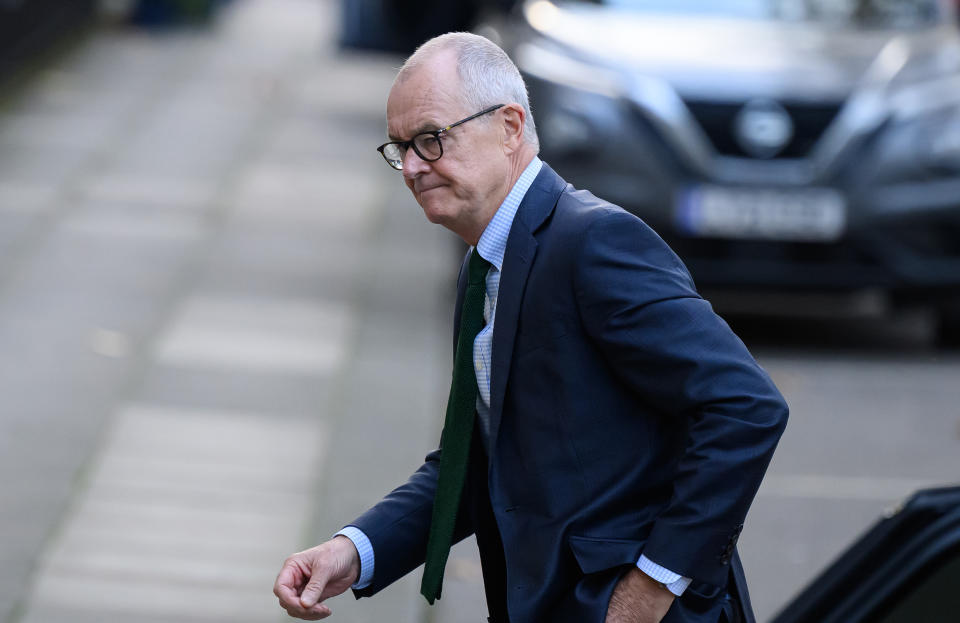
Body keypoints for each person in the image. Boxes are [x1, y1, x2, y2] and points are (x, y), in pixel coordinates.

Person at [273, 32, 788, 623]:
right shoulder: (485, 260)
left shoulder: (592, 242)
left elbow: (746, 405)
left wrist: (652, 586)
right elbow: (479, 458)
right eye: (400, 148)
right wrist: (355, 552)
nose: (413, 167)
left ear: (511, 126)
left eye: (432, 139)